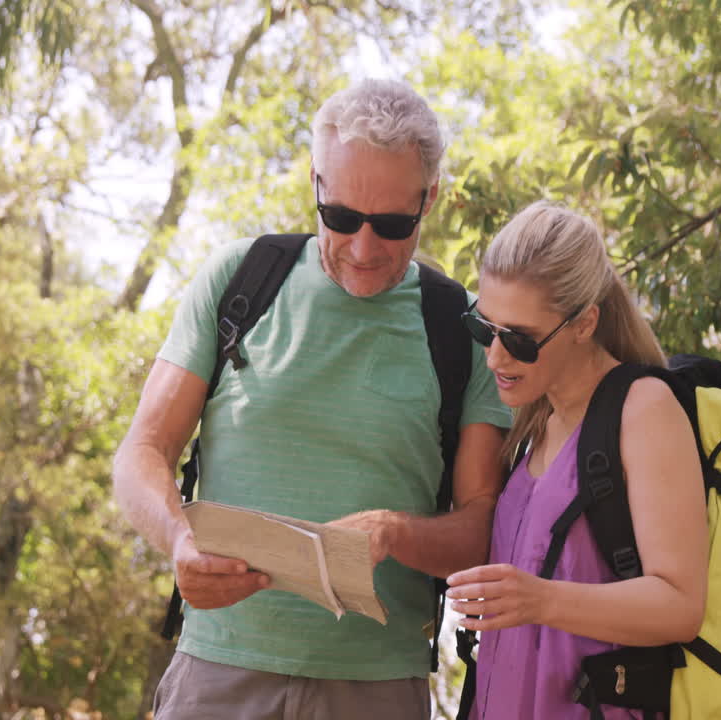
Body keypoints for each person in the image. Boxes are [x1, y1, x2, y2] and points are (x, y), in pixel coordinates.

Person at [112, 78, 511, 719]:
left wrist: (393, 532)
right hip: (217, 673)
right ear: (315, 185)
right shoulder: (239, 281)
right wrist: (180, 542)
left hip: (376, 687)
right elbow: (142, 452)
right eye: (342, 218)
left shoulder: (459, 326)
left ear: (430, 198)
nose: (362, 249)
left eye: (391, 225)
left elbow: (484, 528)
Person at [445, 202, 709, 719]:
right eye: (485, 329)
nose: (495, 358)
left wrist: (541, 599)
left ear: (585, 322)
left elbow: (681, 606)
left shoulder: (644, 408)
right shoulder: (534, 421)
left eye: (519, 339)